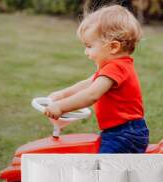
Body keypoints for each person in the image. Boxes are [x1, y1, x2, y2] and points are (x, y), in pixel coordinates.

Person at [43, 4, 149, 153]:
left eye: (89, 46)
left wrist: (60, 107)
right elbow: (87, 84)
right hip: (121, 131)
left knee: (104, 167)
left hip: (125, 134)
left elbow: (91, 94)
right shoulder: (115, 67)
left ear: (113, 47)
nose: (86, 52)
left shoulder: (116, 68)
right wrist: (62, 94)